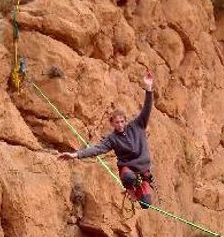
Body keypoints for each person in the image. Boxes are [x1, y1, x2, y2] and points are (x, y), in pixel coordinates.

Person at [60, 73, 155, 208]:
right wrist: (75, 154)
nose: (120, 124)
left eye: (122, 121)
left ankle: (141, 192)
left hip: (143, 168)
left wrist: (149, 87)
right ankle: (130, 190)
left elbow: (147, 108)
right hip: (128, 170)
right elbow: (97, 149)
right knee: (129, 178)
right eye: (117, 122)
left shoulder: (138, 125)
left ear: (125, 121)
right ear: (112, 124)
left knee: (146, 204)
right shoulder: (112, 139)